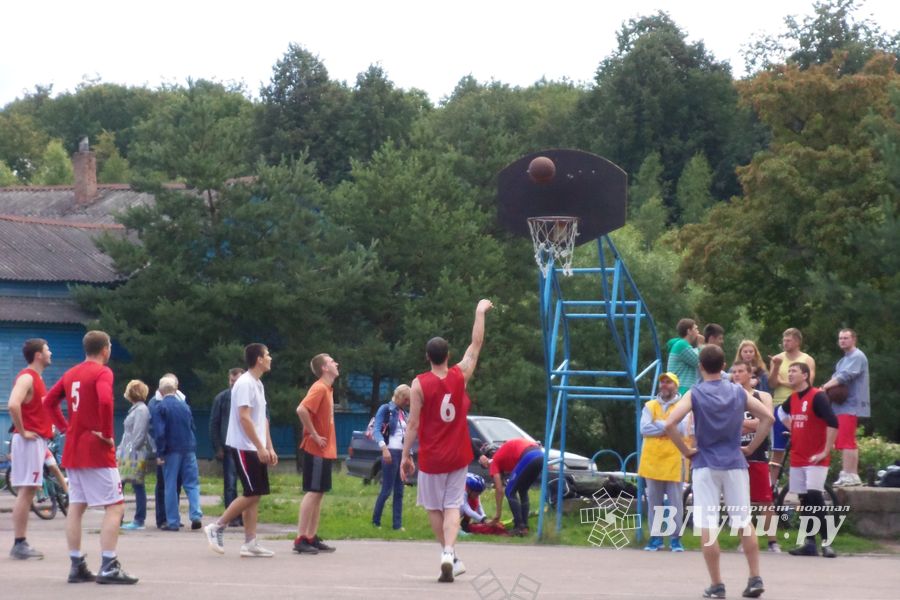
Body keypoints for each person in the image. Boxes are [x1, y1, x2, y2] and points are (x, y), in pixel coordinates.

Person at [665, 345, 773, 599]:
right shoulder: (737, 391)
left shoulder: (695, 393)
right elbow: (768, 418)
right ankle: (754, 577)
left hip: (705, 463)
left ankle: (717, 584)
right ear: (724, 366)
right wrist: (751, 447)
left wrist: (686, 450)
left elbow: (670, 423)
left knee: (707, 524)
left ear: (700, 366)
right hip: (735, 462)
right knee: (743, 521)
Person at [401, 298, 494, 583]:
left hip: (432, 456)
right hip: (457, 454)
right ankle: (450, 552)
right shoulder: (459, 375)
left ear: (427, 357)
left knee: (434, 508)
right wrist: (479, 311)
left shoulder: (419, 384)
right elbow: (476, 345)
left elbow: (413, 424)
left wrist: (405, 455)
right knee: (453, 505)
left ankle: (447, 554)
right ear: (448, 355)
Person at [43, 330, 138, 584]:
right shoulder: (102, 372)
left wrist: (65, 428)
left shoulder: (71, 373)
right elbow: (105, 401)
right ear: (105, 349)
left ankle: (76, 564)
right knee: (115, 506)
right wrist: (107, 433)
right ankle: (109, 565)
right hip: (95, 448)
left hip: (73, 448)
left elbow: (48, 402)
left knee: (77, 506)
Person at [204, 343, 277, 557]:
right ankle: (217, 526)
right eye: (267, 355)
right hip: (244, 446)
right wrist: (259, 446)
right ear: (259, 359)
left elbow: (262, 418)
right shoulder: (244, 383)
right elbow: (244, 418)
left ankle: (250, 543)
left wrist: (269, 446)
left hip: (256, 447)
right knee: (252, 493)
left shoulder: (258, 384)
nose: (270, 358)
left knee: (255, 494)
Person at [781, 362, 840, 557]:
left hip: (815, 458)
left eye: (794, 371)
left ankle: (826, 542)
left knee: (815, 496)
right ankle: (809, 543)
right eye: (789, 371)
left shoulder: (817, 396)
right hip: (798, 456)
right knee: (804, 499)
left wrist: (825, 450)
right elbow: (780, 412)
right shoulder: (792, 398)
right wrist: (792, 428)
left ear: (805, 375)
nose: (790, 374)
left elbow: (833, 422)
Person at [8, 338, 54, 560]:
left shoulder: (37, 378)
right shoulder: (27, 377)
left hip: (35, 439)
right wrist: (23, 430)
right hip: (28, 440)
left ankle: (20, 542)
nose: (50, 353)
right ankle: (19, 543)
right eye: (47, 350)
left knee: (28, 491)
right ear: (38, 355)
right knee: (26, 491)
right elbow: (12, 404)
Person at [731, 361, 780, 553]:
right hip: (735, 453)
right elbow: (727, 423)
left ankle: (772, 541)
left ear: (749, 373)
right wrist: (753, 423)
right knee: (740, 500)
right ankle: (744, 540)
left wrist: (741, 423)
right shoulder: (729, 395)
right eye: (734, 371)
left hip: (758, 452)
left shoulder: (762, 396)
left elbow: (766, 421)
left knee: (765, 500)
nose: (736, 374)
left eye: (740, 371)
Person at [294, 353, 341, 554]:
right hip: (316, 449)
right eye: (331, 362)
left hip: (325, 449)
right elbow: (301, 409)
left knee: (319, 493)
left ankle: (311, 536)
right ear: (324, 368)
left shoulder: (328, 389)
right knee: (313, 492)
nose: (336, 363)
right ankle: (300, 538)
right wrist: (313, 434)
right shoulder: (319, 387)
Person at [637, 372, 687, 552]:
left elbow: (682, 429)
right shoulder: (650, 406)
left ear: (676, 385)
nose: (664, 385)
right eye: (662, 382)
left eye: (668, 382)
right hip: (652, 459)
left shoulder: (683, 406)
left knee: (675, 502)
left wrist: (658, 423)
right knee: (654, 502)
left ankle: (675, 539)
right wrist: (668, 426)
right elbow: (644, 428)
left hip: (674, 459)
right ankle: (656, 538)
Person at [152, 376, 203, 531]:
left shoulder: (160, 407)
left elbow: (159, 433)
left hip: (171, 450)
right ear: (175, 390)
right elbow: (192, 426)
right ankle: (196, 514)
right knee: (192, 483)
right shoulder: (184, 406)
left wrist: (160, 453)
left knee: (170, 485)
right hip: (188, 447)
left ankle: (173, 521)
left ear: (161, 391)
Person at [821, 329, 869, 487]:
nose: (842, 340)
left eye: (846, 338)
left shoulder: (857, 356)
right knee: (847, 440)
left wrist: (824, 387)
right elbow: (836, 377)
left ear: (854, 339)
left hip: (850, 404)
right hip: (841, 405)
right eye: (840, 338)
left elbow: (844, 377)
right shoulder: (843, 360)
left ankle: (848, 474)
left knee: (846, 441)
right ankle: (852, 474)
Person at [768, 328, 816, 486]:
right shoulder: (777, 359)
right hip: (779, 404)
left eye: (788, 340)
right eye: (784, 340)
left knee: (802, 446)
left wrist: (783, 381)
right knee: (777, 449)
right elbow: (772, 383)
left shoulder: (807, 360)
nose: (785, 343)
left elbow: (807, 384)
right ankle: (772, 485)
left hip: (800, 405)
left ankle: (804, 483)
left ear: (797, 342)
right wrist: (776, 367)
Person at [479, 437, 542, 536]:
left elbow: (499, 490)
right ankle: (524, 527)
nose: (488, 469)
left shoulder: (495, 460)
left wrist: (498, 515)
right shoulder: (505, 454)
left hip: (528, 455)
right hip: (539, 455)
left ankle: (519, 527)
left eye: (486, 467)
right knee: (523, 490)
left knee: (509, 491)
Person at [148, 372, 186, 529]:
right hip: (163, 450)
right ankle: (163, 518)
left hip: (176, 449)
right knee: (163, 484)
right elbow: (154, 429)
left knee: (176, 484)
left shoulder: (180, 399)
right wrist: (159, 450)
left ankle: (173, 516)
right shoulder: (155, 403)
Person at [371, 383, 411, 530]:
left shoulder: (404, 414)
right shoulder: (386, 409)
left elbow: (407, 435)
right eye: (406, 400)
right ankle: (376, 521)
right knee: (387, 489)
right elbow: (376, 430)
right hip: (390, 452)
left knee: (399, 490)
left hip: (402, 453)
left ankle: (397, 525)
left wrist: (409, 455)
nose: (407, 403)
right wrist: (384, 448)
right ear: (400, 397)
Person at [209, 367, 245, 526]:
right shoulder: (222, 399)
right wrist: (218, 447)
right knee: (230, 485)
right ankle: (232, 517)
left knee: (248, 486)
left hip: (246, 447)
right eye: (231, 380)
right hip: (229, 448)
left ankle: (245, 516)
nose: (234, 384)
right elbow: (214, 424)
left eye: (237, 381)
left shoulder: (250, 396)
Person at [118, 379, 152, 530]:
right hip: (128, 452)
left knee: (136, 485)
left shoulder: (141, 410)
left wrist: (129, 453)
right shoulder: (136, 409)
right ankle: (119, 518)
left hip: (133, 454)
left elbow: (139, 434)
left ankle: (139, 520)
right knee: (122, 485)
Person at [666, 318, 703, 395]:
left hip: (680, 388)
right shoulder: (682, 345)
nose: (698, 332)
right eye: (696, 329)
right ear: (689, 331)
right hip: (681, 389)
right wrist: (700, 345)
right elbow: (699, 361)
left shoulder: (683, 345)